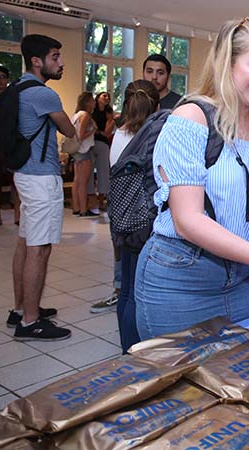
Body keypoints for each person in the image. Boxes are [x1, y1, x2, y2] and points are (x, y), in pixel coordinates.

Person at [134, 17, 249, 340]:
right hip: (181, 280)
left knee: (233, 382)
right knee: (183, 388)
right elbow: (186, 219)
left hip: (243, 279)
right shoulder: (191, 118)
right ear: (227, 64)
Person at [8, 34, 76, 341]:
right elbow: (69, 130)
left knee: (25, 243)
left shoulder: (17, 88)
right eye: (55, 57)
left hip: (24, 174)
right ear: (37, 61)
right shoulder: (44, 95)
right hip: (41, 177)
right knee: (39, 248)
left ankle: (22, 308)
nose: (60, 63)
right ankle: (30, 322)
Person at [106, 80, 159, 351]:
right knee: (139, 293)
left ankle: (126, 347)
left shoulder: (119, 133)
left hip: (122, 217)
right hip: (145, 221)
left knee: (125, 288)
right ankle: (136, 349)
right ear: (157, 105)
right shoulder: (155, 136)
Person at [70, 92, 98, 218]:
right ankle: (83, 209)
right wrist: (93, 130)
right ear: (87, 102)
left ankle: (76, 207)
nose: (94, 102)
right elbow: (81, 136)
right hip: (84, 150)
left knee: (77, 180)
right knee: (83, 181)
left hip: (76, 151)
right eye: (92, 100)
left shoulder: (76, 115)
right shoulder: (85, 115)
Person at [88, 91, 114, 211]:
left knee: (104, 171)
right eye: (104, 95)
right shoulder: (92, 111)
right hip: (90, 142)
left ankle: (102, 198)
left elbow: (107, 131)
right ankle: (89, 197)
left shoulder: (109, 112)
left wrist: (100, 131)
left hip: (102, 142)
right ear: (98, 98)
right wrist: (97, 131)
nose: (106, 98)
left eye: (108, 96)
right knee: (88, 170)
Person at [0, 65, 10, 226]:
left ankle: (19, 215)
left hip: (11, 144)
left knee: (16, 182)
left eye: (2, 77)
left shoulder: (11, 97)